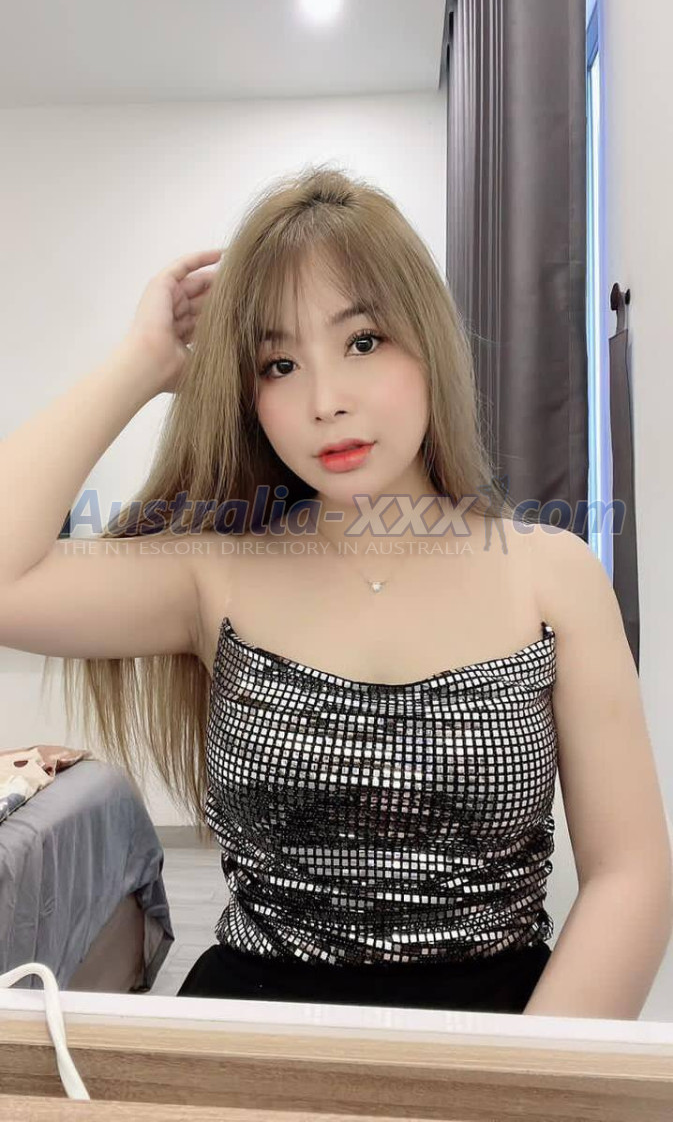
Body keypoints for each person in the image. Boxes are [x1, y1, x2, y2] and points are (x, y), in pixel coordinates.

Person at [0, 165, 667, 1018]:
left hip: (507, 1033)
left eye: (362, 342)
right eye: (278, 363)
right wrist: (142, 364)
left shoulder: (552, 573)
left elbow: (630, 877)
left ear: (427, 341)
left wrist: (519, 1076)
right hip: (255, 1034)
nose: (324, 401)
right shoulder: (215, 574)